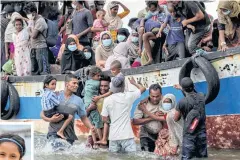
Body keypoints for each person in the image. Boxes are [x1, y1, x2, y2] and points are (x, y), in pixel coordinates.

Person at [41, 74, 95, 145]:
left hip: (69, 135)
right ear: (66, 84)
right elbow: (43, 113)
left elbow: (84, 117)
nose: (77, 85)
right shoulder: (55, 95)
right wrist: (50, 120)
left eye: (77, 83)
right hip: (53, 132)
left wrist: (91, 127)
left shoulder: (78, 100)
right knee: (56, 149)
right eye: (74, 83)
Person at [101, 76, 146, 153]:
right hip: (127, 136)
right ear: (123, 86)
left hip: (113, 137)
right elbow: (143, 89)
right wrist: (134, 83)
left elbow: (104, 119)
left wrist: (112, 120)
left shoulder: (107, 100)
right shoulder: (128, 96)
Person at [174, 77, 207, 159]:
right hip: (202, 134)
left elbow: (175, 118)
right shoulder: (202, 96)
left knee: (187, 158)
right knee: (201, 158)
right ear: (194, 86)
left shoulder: (181, 102)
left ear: (183, 89)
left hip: (189, 136)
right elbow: (195, 95)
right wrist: (183, 88)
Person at [84, 66, 112, 148]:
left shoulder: (112, 98)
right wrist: (89, 108)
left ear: (110, 86)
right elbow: (84, 116)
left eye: (105, 86)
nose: (103, 88)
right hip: (93, 133)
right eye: (101, 86)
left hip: (108, 134)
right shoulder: (93, 98)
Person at [133, 84, 165, 152]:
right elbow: (135, 121)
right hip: (146, 135)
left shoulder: (166, 102)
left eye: (157, 96)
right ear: (149, 94)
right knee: (147, 156)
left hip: (161, 136)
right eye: (153, 96)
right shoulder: (142, 104)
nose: (155, 99)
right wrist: (153, 117)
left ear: (161, 94)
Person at [23, 2, 50, 75]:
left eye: (28, 13)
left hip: (40, 48)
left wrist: (28, 30)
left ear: (34, 12)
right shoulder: (33, 20)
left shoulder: (40, 21)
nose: (28, 15)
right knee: (34, 70)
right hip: (33, 47)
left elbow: (33, 35)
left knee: (43, 70)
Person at [1, 5, 12, 69]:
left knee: (4, 56)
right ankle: (7, 70)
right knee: (8, 56)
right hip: (7, 41)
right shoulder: (6, 21)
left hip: (3, 41)